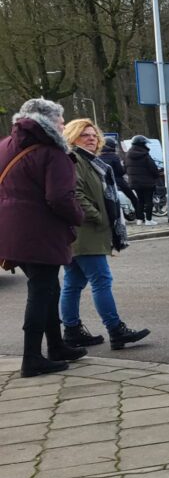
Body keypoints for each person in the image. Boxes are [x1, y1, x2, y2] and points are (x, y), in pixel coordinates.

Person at [0, 98, 87, 377]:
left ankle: (56, 345)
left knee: (49, 288)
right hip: (41, 231)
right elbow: (60, 197)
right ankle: (32, 357)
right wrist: (78, 217)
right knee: (41, 292)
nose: (64, 126)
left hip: (10, 229)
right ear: (47, 121)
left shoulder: (5, 145)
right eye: (61, 121)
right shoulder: (53, 152)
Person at [60, 119, 151, 351]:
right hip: (86, 231)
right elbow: (75, 194)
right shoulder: (75, 160)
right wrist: (99, 217)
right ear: (72, 137)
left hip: (80, 232)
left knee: (74, 282)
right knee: (101, 280)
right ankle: (115, 329)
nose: (91, 138)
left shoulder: (90, 161)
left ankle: (71, 331)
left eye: (93, 135)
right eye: (84, 135)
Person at [124, 134, 161, 226]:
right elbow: (153, 168)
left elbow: (125, 168)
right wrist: (156, 176)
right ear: (141, 144)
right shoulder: (145, 155)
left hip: (134, 182)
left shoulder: (128, 155)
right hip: (147, 182)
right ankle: (149, 220)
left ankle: (139, 219)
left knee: (140, 201)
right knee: (148, 201)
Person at [98, 135, 136, 207]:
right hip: (117, 181)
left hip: (103, 182)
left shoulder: (98, 156)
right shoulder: (114, 156)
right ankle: (139, 215)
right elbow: (120, 172)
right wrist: (125, 167)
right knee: (133, 198)